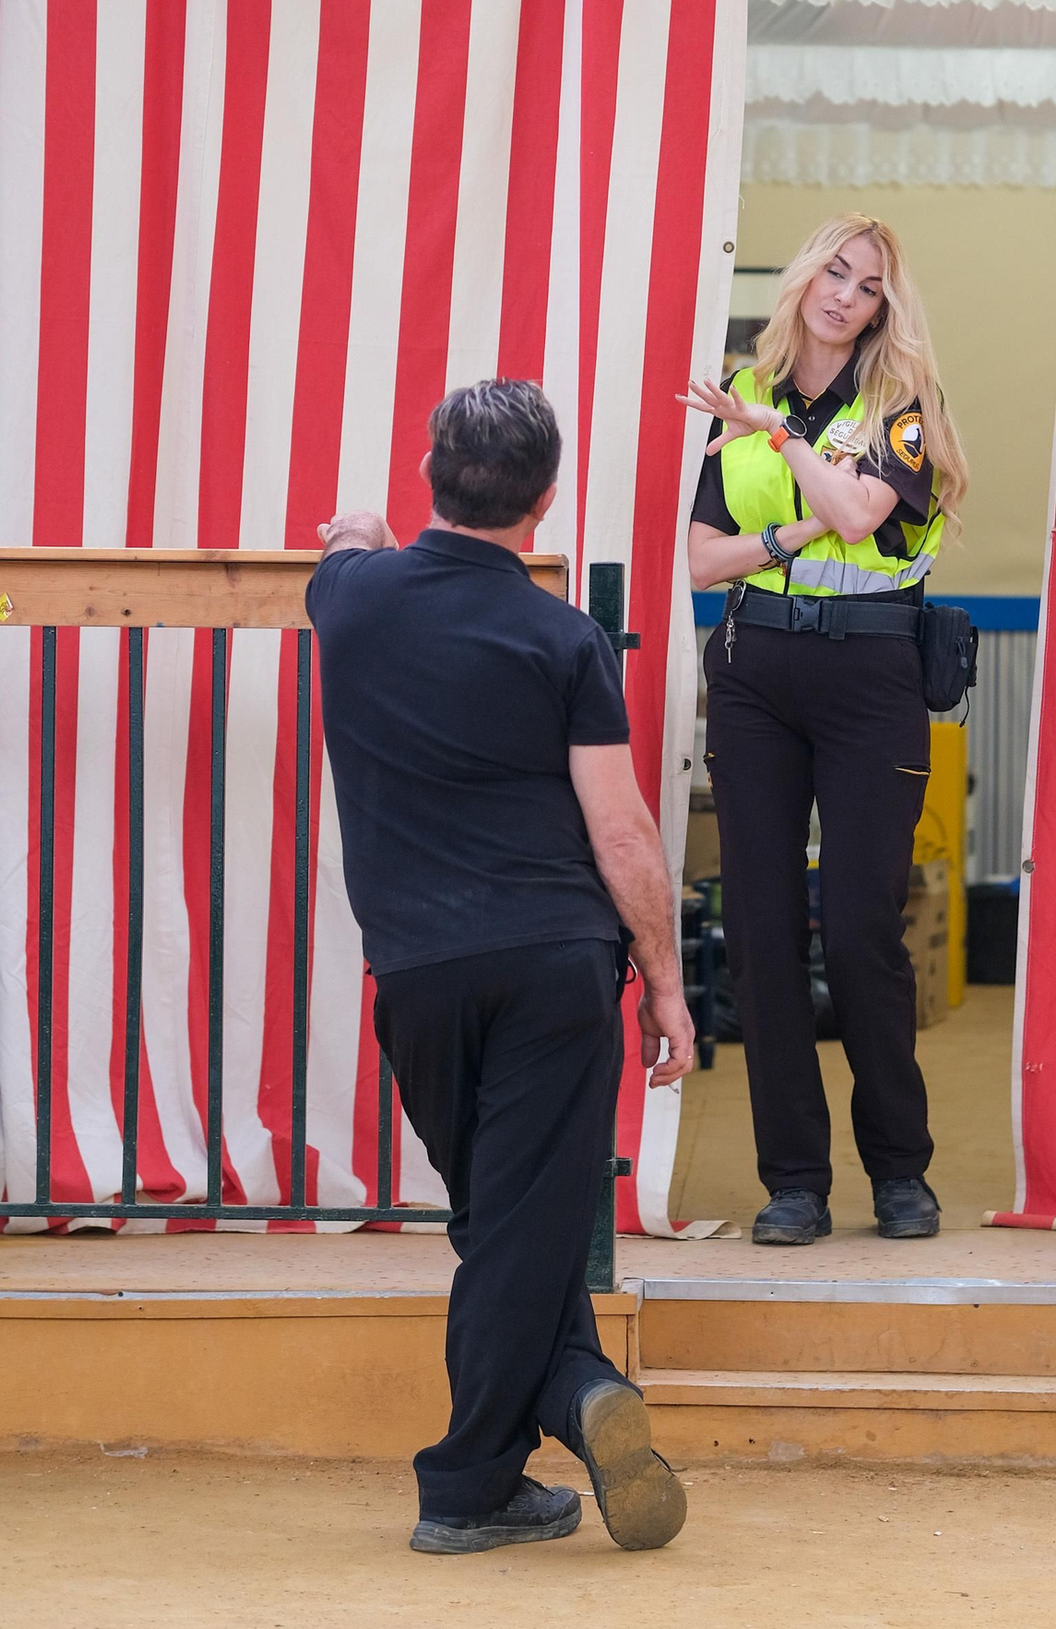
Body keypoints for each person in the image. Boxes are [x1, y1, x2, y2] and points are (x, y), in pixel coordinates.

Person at [307, 378, 692, 1557]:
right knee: (517, 1219)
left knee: (501, 1215)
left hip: (419, 972)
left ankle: (572, 1393)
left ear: (432, 470)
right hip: (553, 964)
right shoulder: (564, 637)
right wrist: (667, 983)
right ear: (546, 501)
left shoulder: (351, 601)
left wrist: (359, 533)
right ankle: (474, 1477)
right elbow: (622, 832)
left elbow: (347, 549)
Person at [681, 214, 969, 1247]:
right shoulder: (743, 394)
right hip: (754, 672)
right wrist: (789, 520)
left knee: (858, 933)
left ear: (886, 307)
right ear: (804, 277)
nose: (845, 294)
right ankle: (794, 1181)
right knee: (761, 935)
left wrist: (786, 447)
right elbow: (702, 561)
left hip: (870, 675)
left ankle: (899, 1170)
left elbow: (860, 518)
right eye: (835, 272)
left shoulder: (903, 403)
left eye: (869, 285)